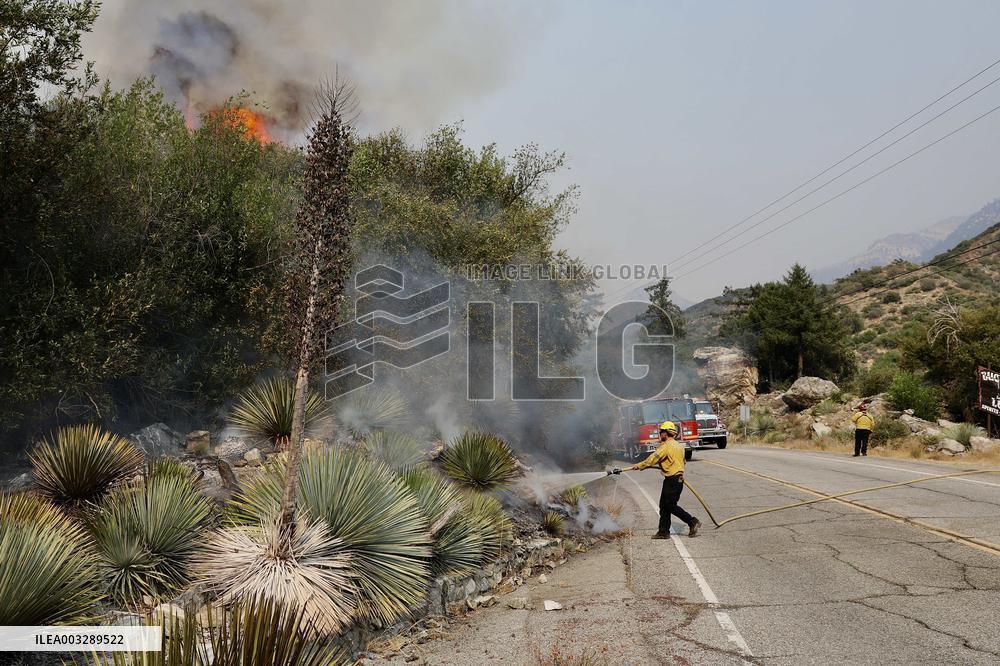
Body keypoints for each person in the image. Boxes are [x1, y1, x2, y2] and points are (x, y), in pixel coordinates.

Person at [611, 421, 701, 538]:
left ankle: (692, 521)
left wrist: (639, 465)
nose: (660, 434)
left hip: (672, 480)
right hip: (676, 479)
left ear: (666, 433)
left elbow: (652, 459)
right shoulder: (678, 446)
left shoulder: (666, 446)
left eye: (661, 432)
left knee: (669, 505)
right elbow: (680, 462)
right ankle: (663, 532)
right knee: (664, 505)